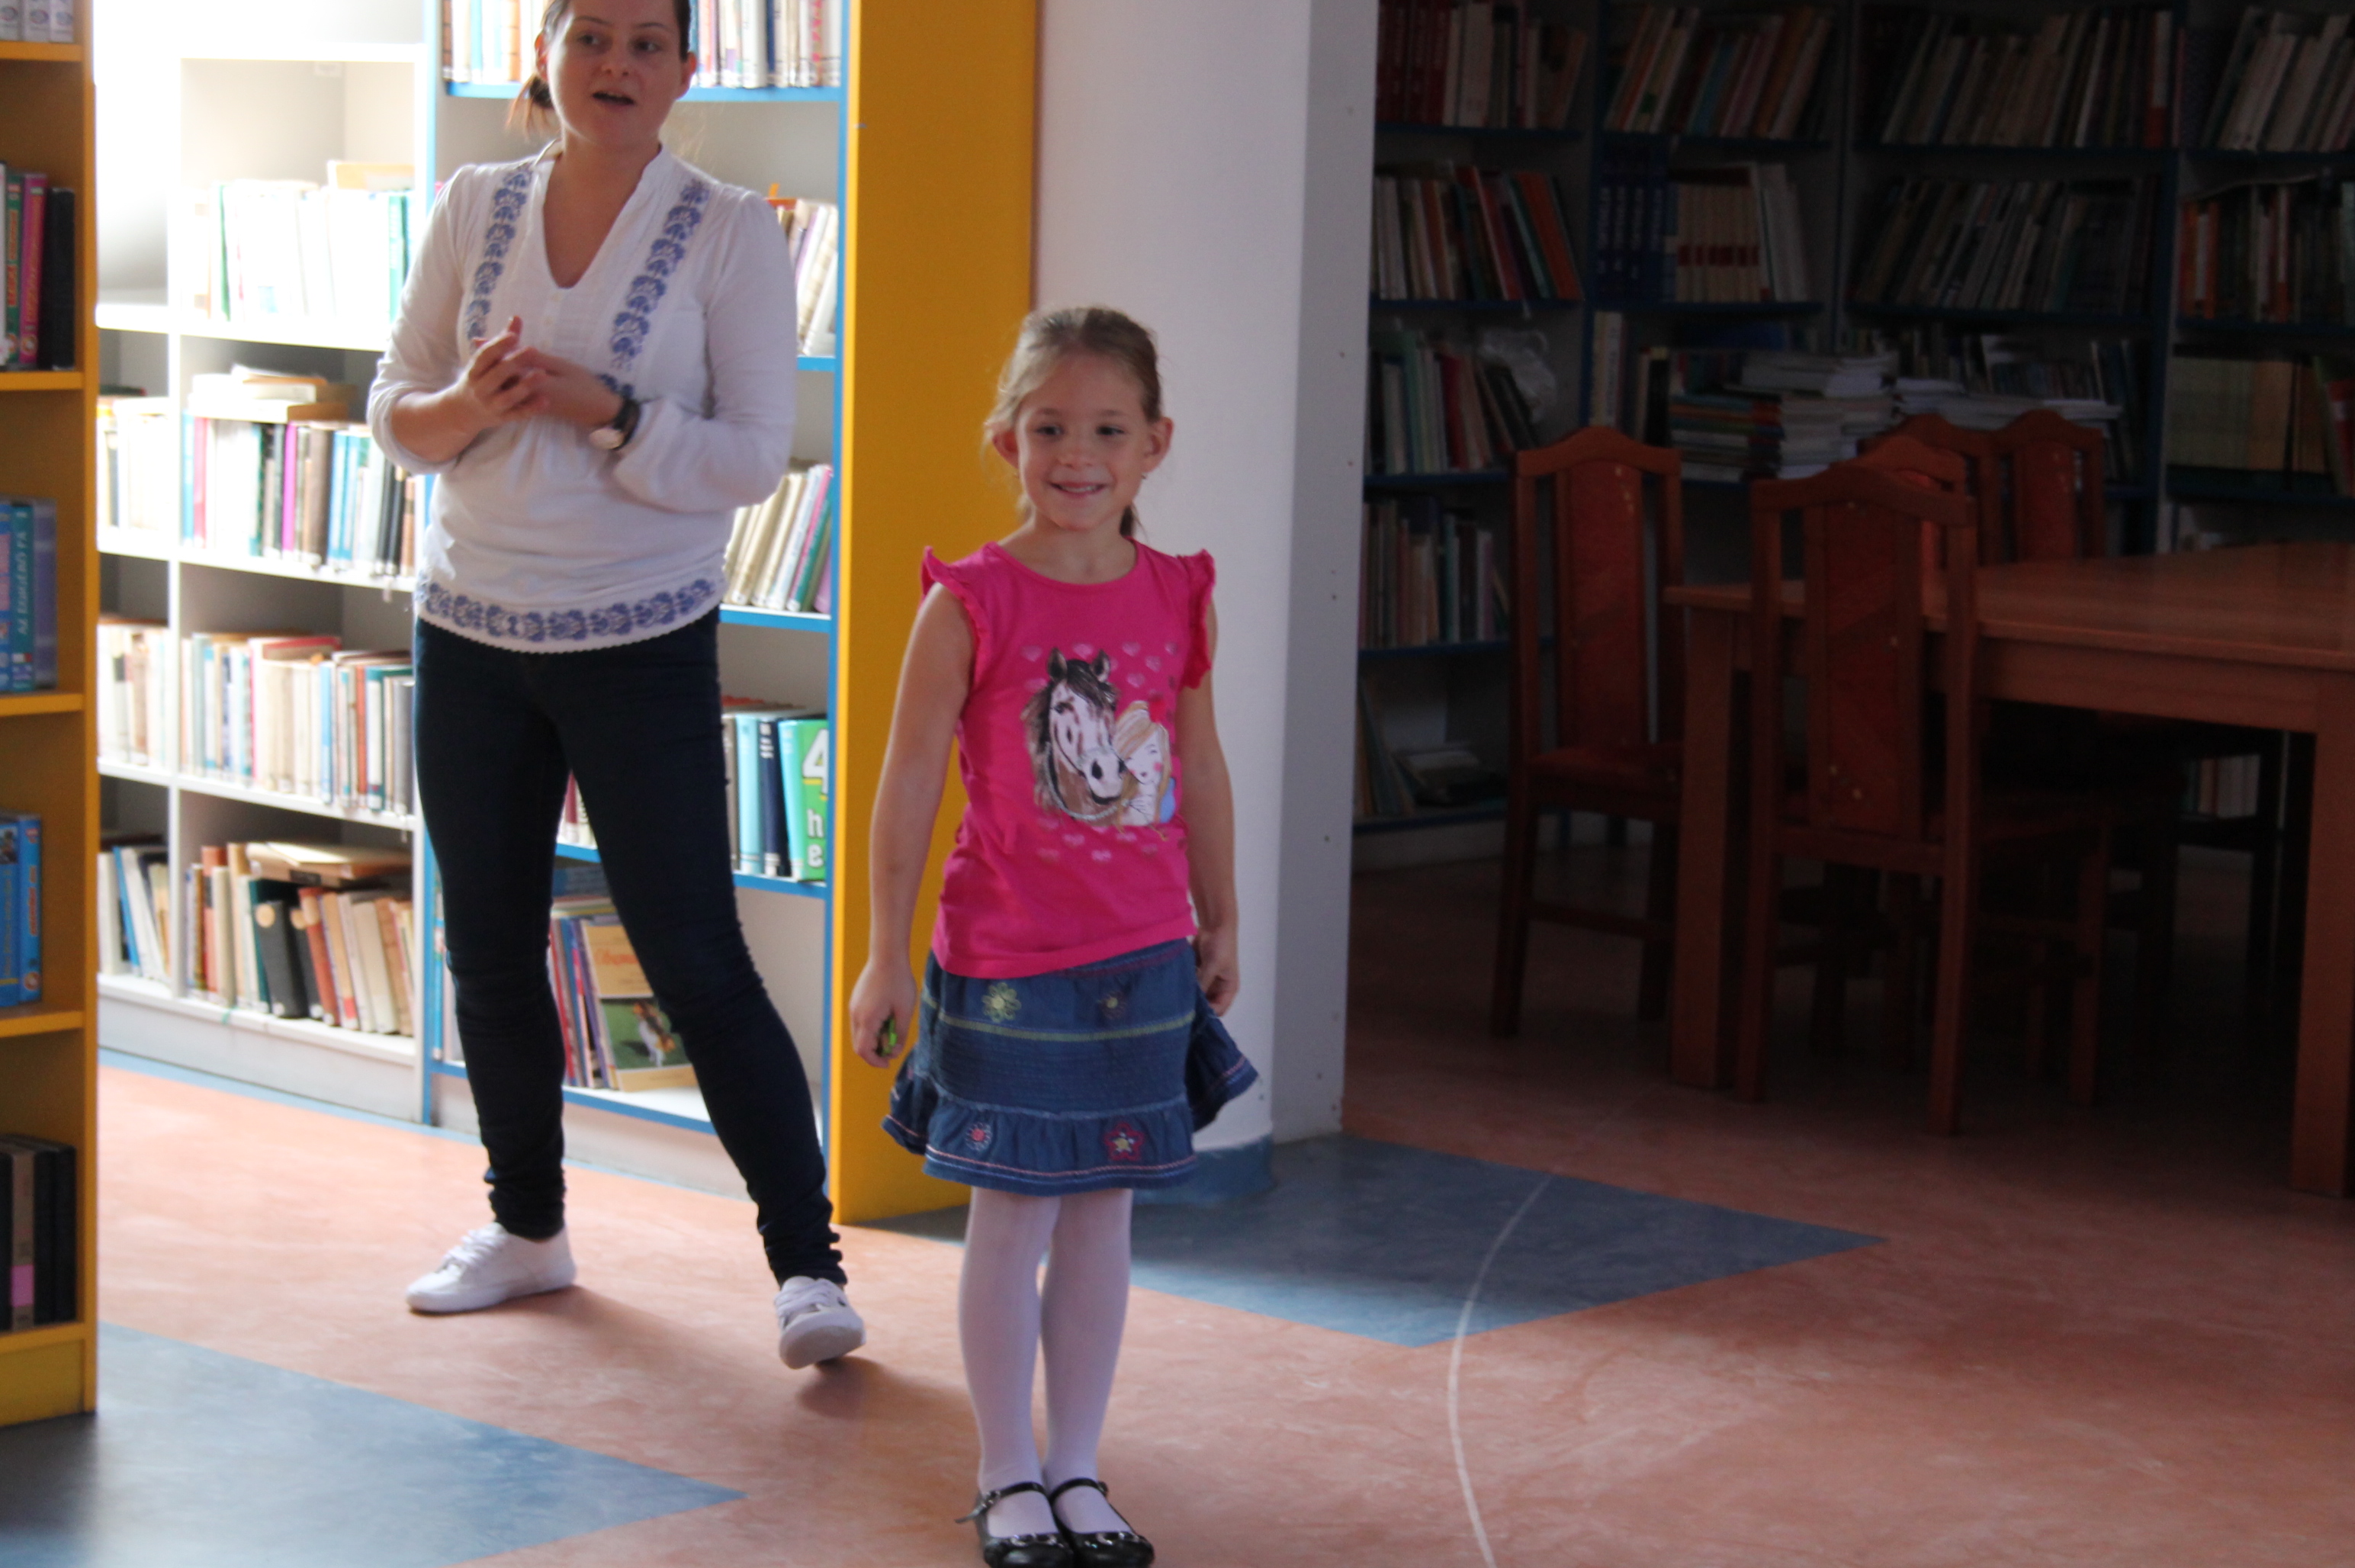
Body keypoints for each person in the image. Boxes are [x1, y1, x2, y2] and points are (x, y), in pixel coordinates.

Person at [366, 0, 863, 1370]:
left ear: (689, 70)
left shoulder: (730, 230)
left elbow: (750, 457)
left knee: (698, 959)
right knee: (487, 949)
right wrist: (472, 404)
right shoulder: (474, 203)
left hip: (640, 643)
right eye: (590, 36)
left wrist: (611, 413)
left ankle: (807, 1267)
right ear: (543, 51)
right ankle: (526, 1229)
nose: (616, 66)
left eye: (648, 43)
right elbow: (395, 412)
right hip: (469, 628)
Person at [849, 307, 1256, 1568]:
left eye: (1108, 430)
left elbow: (1198, 763)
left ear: (1155, 444)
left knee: (1102, 1217)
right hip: (1008, 962)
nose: (1078, 455)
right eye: (1050, 428)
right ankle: (1007, 1476)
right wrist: (883, 952)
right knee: (1014, 1215)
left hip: (1140, 959)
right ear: (1007, 440)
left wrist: (1222, 913)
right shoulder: (968, 602)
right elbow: (908, 784)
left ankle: (1077, 1466)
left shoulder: (1177, 595)